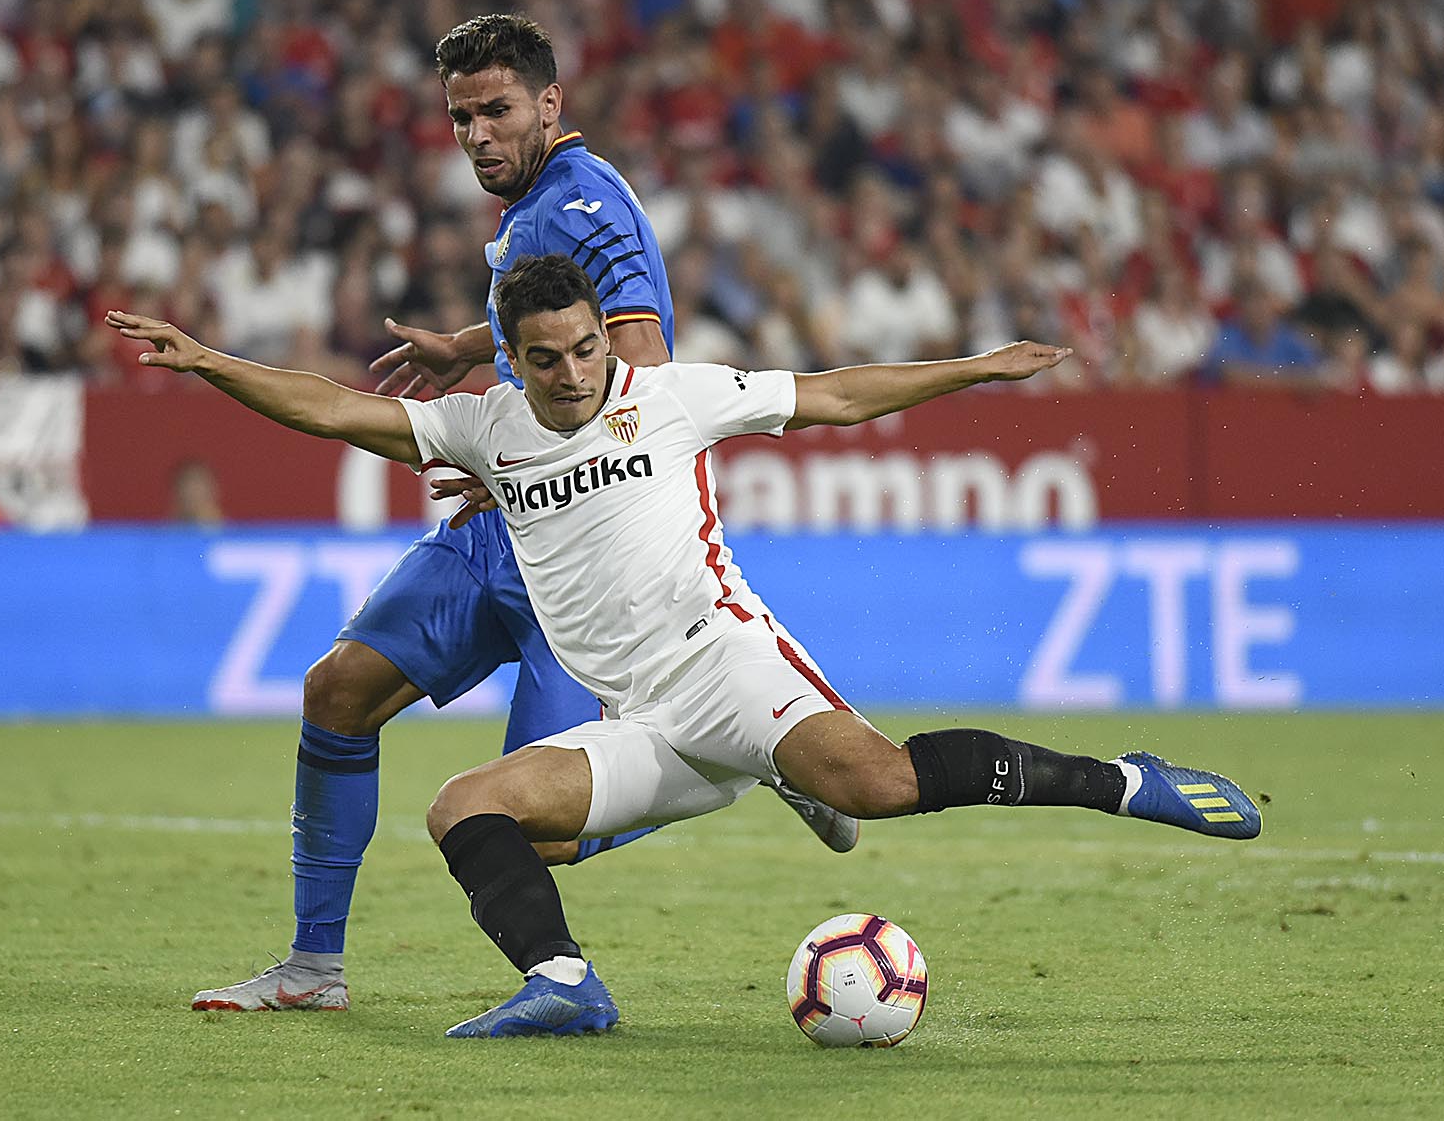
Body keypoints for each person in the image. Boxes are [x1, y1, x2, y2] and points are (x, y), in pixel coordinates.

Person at [106, 252, 1262, 1039]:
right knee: (469, 808)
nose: (569, 377)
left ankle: (1122, 780)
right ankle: (564, 982)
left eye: (581, 352)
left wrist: (973, 366)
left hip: (726, 668)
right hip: (639, 721)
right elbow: (326, 406)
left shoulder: (670, 394)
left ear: (601, 335)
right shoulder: (482, 425)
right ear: (506, 354)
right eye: (543, 359)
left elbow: (837, 394)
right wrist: (210, 361)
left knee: (883, 780)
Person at [187, 14, 853, 1014]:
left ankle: (756, 751)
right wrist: (475, 343)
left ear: (549, 104)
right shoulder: (541, 205)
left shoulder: (585, 206)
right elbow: (554, 321)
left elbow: (641, 379)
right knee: (337, 690)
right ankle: (312, 967)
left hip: (566, 545)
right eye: (460, 117)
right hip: (492, 527)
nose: (476, 135)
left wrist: (521, 456)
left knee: (539, 826)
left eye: (496, 111)